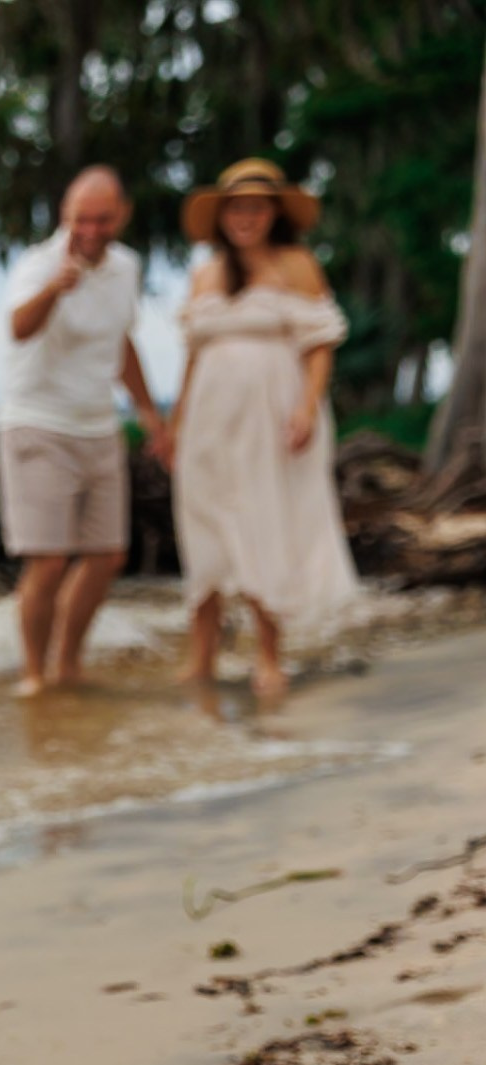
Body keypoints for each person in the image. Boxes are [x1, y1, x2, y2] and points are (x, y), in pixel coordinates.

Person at [163, 159, 359, 703]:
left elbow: (320, 345)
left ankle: (268, 654)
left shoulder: (296, 265)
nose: (245, 217)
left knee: (264, 521)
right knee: (203, 526)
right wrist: (176, 422)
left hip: (271, 417)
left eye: (255, 207)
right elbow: (193, 356)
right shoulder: (205, 274)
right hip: (209, 420)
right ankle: (200, 656)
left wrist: (306, 408)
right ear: (221, 216)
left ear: (274, 213)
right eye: (235, 208)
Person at [0, 166, 168, 696]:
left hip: (99, 427)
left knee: (108, 556)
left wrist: (148, 412)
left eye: (102, 220)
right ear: (64, 216)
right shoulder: (38, 264)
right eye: (80, 219)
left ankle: (67, 665)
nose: (90, 230)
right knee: (48, 561)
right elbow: (19, 328)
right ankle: (33, 675)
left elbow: (122, 343)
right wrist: (56, 287)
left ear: (123, 216)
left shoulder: (126, 268)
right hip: (37, 424)